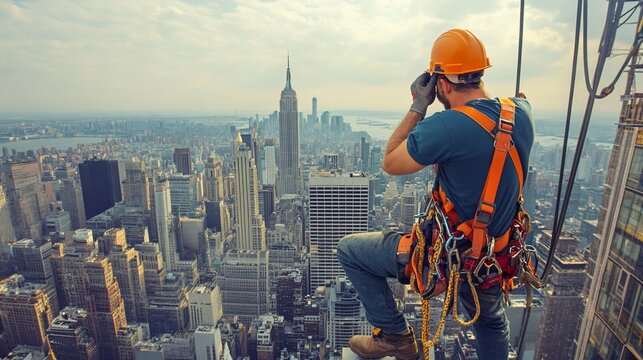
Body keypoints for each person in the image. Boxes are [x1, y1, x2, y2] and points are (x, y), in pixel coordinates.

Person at [337, 28, 534, 360]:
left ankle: (394, 336)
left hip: (446, 258)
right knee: (491, 325)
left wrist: (418, 105)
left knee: (350, 251)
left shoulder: (445, 127)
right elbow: (513, 104)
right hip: (493, 259)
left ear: (441, 84)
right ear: (481, 72)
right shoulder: (522, 114)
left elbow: (390, 160)